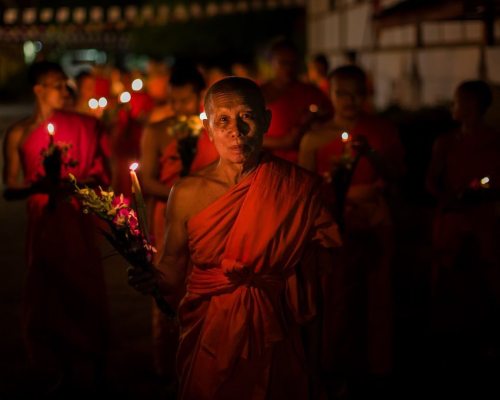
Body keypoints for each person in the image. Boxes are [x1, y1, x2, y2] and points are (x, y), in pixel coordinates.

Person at [128, 77, 341, 399]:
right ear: (207, 127)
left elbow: (316, 281)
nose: (236, 132)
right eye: (223, 120)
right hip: (211, 330)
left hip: (276, 328)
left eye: (247, 117)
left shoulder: (296, 187)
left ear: (266, 120)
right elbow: (171, 269)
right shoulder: (186, 193)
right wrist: (151, 279)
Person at [2, 61, 109, 394]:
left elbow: (101, 176)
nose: (66, 90)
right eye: (57, 85)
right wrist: (42, 186)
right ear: (38, 89)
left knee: (84, 289)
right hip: (43, 224)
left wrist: (68, 184)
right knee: (48, 292)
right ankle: (57, 366)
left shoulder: (85, 125)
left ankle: (93, 364)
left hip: (76, 219)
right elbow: (10, 188)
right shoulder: (19, 133)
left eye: (66, 84)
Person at [299, 65, 405, 390]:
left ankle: (377, 364)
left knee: (378, 293)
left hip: (374, 220)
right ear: (330, 94)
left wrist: (370, 154)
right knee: (335, 298)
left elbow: (398, 175)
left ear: (366, 93)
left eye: (356, 92)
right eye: (341, 93)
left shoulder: (381, 129)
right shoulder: (315, 138)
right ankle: (333, 363)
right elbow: (305, 190)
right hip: (333, 225)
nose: (349, 100)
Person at [140, 63, 217, 385]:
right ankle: (168, 367)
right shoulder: (157, 131)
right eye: (174, 101)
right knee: (167, 286)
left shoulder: (214, 132)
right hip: (168, 214)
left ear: (200, 97)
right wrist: (183, 193)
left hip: (209, 218)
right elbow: (146, 181)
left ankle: (208, 361)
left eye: (185, 100)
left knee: (207, 285)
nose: (178, 108)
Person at [426, 80, 500, 370]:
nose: (452, 107)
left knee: (485, 276)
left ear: (471, 106)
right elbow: (430, 182)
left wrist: (482, 193)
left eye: (456, 101)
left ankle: (484, 338)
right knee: (446, 275)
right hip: (452, 217)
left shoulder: (494, 142)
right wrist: (452, 196)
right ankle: (447, 339)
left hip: (481, 219)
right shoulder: (445, 142)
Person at [261, 39, 333, 163]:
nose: (289, 68)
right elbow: (248, 135)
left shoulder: (311, 92)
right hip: (270, 162)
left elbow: (331, 121)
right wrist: (283, 142)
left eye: (293, 63)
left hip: (307, 161)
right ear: (271, 62)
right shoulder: (259, 93)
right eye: (283, 63)